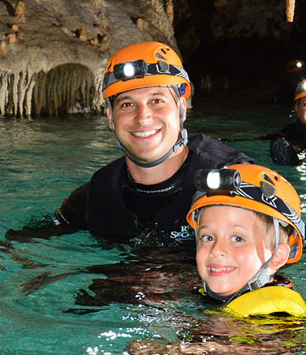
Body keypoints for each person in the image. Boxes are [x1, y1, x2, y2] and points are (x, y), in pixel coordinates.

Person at [54, 41, 252, 245]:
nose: (143, 118)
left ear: (181, 107)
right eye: (127, 104)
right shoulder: (96, 195)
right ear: (111, 118)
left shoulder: (233, 183)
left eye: (156, 101)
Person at [187, 164, 306, 317]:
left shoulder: (279, 318)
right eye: (208, 237)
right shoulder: (204, 295)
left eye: (238, 238)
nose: (217, 250)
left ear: (277, 256)